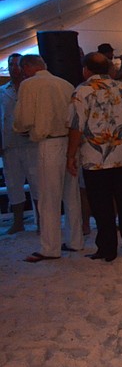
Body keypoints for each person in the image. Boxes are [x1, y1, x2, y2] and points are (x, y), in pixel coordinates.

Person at [66, 52, 122, 262]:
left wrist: (70, 155)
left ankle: (107, 248)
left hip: (94, 157)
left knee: (101, 204)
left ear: (86, 69)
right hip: (121, 152)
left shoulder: (82, 91)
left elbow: (76, 127)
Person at [13, 54, 83, 262]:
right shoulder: (66, 84)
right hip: (70, 142)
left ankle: (50, 247)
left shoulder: (29, 85)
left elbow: (22, 119)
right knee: (71, 195)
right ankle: (75, 240)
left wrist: (21, 129)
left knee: (48, 197)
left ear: (27, 67)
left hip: (48, 143)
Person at [1, 53, 39, 234]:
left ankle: (41, 219)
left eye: (16, 65)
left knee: (37, 183)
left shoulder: (32, 87)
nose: (13, 68)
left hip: (31, 143)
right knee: (13, 184)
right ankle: (18, 221)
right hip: (10, 144)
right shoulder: (2, 91)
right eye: (10, 65)